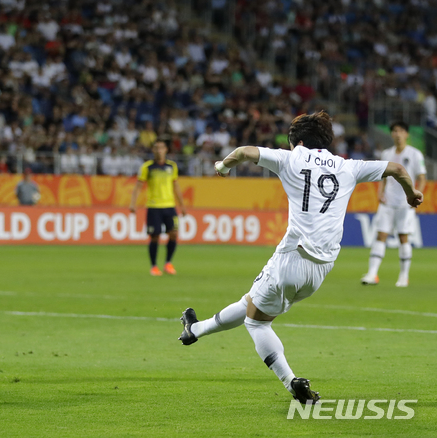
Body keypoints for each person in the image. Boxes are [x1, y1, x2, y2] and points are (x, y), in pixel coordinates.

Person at [178, 112, 422, 404]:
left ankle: (291, 382)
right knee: (252, 303)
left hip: (293, 256)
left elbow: (243, 152)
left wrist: (222, 166)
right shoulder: (348, 166)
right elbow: (396, 168)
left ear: (300, 142)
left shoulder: (291, 158)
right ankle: (194, 329)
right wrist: (412, 194)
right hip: (322, 268)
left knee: (256, 323)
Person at [361, 121, 427, 287]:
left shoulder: (415, 154)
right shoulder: (386, 154)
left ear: (407, 134)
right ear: (392, 134)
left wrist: (415, 195)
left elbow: (422, 178)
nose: (398, 134)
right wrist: (380, 191)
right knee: (380, 235)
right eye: (395, 131)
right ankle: (372, 274)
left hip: (406, 203)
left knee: (403, 237)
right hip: (388, 202)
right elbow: (383, 176)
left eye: (401, 131)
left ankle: (404, 276)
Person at [129, 141, 186, 276]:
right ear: (153, 150)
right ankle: (154, 266)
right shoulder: (147, 167)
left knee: (173, 234)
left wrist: (182, 205)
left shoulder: (172, 166)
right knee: (155, 236)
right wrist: (133, 203)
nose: (159, 150)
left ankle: (168, 263)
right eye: (156, 148)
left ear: (166, 149)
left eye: (161, 147)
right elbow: (138, 186)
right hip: (154, 206)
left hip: (170, 205)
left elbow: (176, 186)